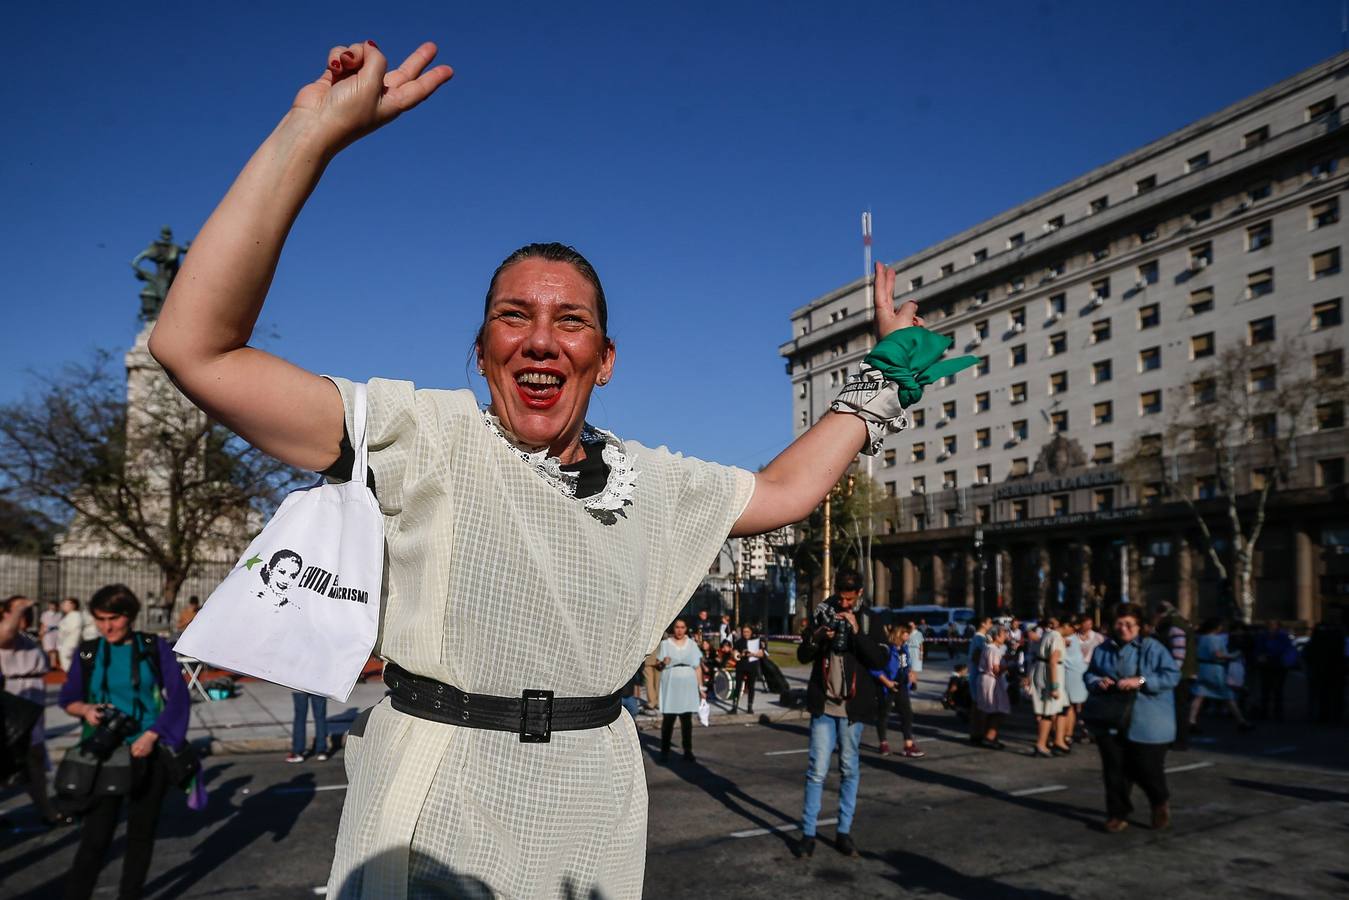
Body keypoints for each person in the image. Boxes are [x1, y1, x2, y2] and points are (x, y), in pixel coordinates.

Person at [148, 37, 955, 898]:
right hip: (432, 800)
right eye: (513, 316)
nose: (540, 338)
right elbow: (195, 348)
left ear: (603, 359)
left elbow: (789, 489)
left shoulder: (655, 482)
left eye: (569, 321)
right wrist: (309, 135)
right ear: (485, 349)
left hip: (592, 802)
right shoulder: (421, 430)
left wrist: (887, 375)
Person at [58, 584, 190, 900]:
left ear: (129, 616)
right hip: (105, 755)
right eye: (100, 619)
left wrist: (152, 734)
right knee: (95, 838)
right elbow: (68, 697)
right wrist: (86, 709)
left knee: (140, 837)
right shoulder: (89, 652)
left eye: (113, 618)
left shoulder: (152, 647)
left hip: (148, 751)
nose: (107, 626)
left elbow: (178, 699)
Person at [794, 569, 889, 859]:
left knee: (849, 769)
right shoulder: (823, 613)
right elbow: (802, 656)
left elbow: (880, 659)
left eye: (850, 598)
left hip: (853, 708)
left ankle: (843, 832)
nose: (845, 604)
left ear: (859, 593)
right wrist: (819, 635)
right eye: (841, 597)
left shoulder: (870, 618)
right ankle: (808, 834)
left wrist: (857, 632)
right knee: (817, 771)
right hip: (825, 704)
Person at [1084, 603, 1181, 833]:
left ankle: (1159, 801)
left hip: (1147, 719)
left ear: (1139, 626)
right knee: (1114, 769)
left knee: (1146, 767)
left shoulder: (1152, 648)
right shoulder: (1103, 649)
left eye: (1129, 624)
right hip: (1110, 718)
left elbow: (1171, 676)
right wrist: (1098, 682)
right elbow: (1091, 674)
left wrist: (1141, 681)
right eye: (1119, 624)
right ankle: (1117, 813)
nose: (1124, 629)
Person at [0, 596, 67, 827]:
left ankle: (46, 808)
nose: (25, 616)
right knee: (19, 757)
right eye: (20, 612)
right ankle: (47, 810)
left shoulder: (26, 637)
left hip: (32, 703)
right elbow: (6, 634)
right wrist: (18, 607)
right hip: (14, 703)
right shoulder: (6, 637)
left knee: (34, 757)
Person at [871, 623, 924, 758]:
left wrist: (910, 675)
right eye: (905, 633)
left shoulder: (904, 649)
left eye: (908, 633)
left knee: (907, 714)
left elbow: (905, 666)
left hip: (901, 686)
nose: (907, 635)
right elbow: (874, 669)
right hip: (887, 686)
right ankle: (883, 743)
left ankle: (908, 745)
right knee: (884, 714)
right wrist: (887, 682)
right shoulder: (887, 649)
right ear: (899, 633)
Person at [1190, 619, 1252, 732]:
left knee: (1199, 694)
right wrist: (1233, 656)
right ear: (1216, 628)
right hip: (1215, 669)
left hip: (1202, 667)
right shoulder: (1215, 639)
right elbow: (1218, 654)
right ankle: (1241, 721)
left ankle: (1191, 721)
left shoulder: (1200, 638)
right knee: (1227, 695)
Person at [657, 618, 705, 762]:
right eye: (677, 627)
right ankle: (664, 751)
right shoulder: (665, 644)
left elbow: (697, 667)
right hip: (671, 686)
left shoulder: (692, 644)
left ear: (686, 628)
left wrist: (701, 687)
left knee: (686, 721)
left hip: (688, 686)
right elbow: (659, 666)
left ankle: (688, 751)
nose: (679, 630)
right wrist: (663, 663)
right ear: (673, 628)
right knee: (668, 721)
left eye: (682, 627)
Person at [1153, 601, 1196, 750]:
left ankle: (1180, 740)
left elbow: (1179, 653)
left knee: (1179, 708)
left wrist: (1171, 674)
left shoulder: (1174, 626)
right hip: (1182, 673)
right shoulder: (1179, 623)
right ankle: (1177, 739)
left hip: (1179, 675)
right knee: (1179, 708)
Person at [1029, 616, 1069, 757]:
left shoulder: (1048, 634)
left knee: (1059, 708)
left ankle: (1057, 741)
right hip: (1051, 675)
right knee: (1047, 710)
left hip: (1042, 671)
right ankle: (1041, 744)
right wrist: (1055, 686)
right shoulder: (1056, 637)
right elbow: (1053, 661)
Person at [974, 624, 1011, 749]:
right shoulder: (994, 649)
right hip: (992, 681)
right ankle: (990, 737)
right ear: (996, 636)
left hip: (985, 680)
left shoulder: (989, 648)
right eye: (1003, 634)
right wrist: (1009, 665)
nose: (1005, 636)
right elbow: (996, 669)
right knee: (998, 709)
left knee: (988, 709)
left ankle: (987, 735)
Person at [1254, 620, 1296, 721]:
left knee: (1277, 689)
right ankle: (1266, 711)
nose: (1271, 626)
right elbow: (1258, 649)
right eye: (1269, 624)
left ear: (1278, 626)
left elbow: (1286, 649)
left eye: (1273, 625)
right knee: (1266, 689)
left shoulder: (1282, 636)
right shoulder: (1263, 635)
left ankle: (1277, 712)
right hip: (1267, 664)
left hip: (1278, 664)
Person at [1062, 616, 1091, 744]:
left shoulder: (1067, 639)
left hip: (1074, 674)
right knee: (1072, 706)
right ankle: (1068, 734)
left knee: (1070, 706)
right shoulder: (1070, 638)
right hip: (1076, 672)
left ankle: (1067, 734)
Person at [966, 616, 992, 743]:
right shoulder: (979, 638)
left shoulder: (980, 637)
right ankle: (978, 732)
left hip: (975, 673)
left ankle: (975, 732)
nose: (991, 625)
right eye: (990, 622)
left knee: (977, 705)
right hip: (977, 674)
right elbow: (977, 656)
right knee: (978, 705)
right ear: (983, 623)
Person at [732, 624, 766, 714]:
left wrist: (753, 654)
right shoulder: (739, 642)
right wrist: (741, 655)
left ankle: (749, 706)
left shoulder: (756, 641)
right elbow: (734, 653)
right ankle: (734, 706)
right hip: (741, 666)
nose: (745, 633)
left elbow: (762, 654)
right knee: (738, 687)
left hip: (752, 666)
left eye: (747, 631)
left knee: (751, 687)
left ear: (751, 632)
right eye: (744, 632)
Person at [288, 691, 330, 762]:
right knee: (320, 718)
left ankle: (298, 752)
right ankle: (322, 751)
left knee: (300, 717)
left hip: (300, 684)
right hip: (319, 685)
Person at [57, 596, 83, 672]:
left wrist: (71, 646)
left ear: (73, 605)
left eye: (66, 604)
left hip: (70, 644)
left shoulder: (76, 615)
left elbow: (76, 631)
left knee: (69, 664)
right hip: (65, 643)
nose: (63, 606)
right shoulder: (69, 616)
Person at [40, 599, 63, 669]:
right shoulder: (45, 614)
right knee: (47, 649)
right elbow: (43, 624)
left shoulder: (59, 614)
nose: (52, 607)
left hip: (56, 633)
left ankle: (53, 664)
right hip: (47, 633)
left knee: (54, 649)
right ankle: (46, 663)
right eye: (51, 606)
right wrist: (41, 633)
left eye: (54, 606)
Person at [905, 619, 924, 693]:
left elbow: (921, 644)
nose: (910, 626)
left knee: (914, 669)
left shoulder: (919, 633)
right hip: (908, 650)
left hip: (916, 651)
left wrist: (921, 654)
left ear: (915, 626)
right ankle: (911, 683)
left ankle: (914, 683)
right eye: (909, 625)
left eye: (912, 625)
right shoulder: (907, 633)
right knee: (909, 669)